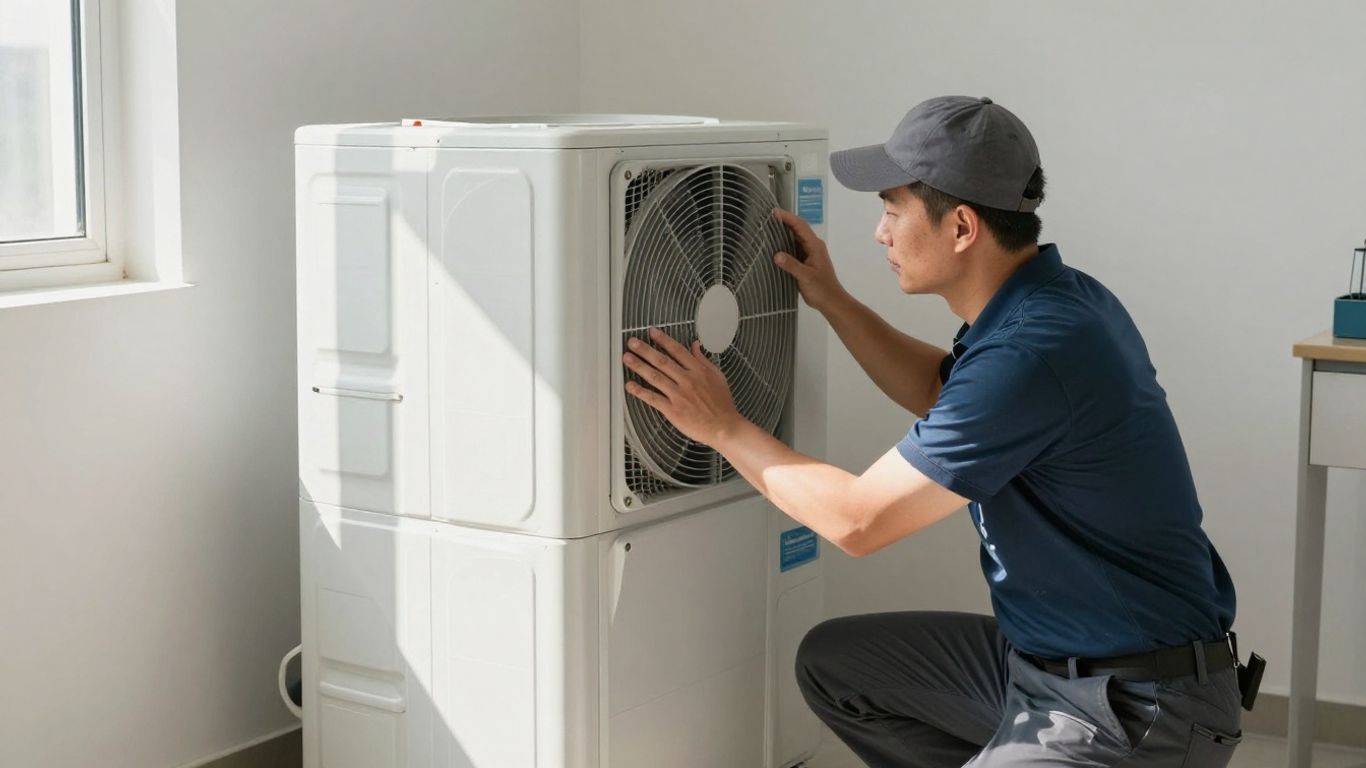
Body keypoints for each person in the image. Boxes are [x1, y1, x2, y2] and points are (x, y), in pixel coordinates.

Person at [620, 95, 1247, 767]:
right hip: (1040, 666)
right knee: (837, 665)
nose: (880, 234)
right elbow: (938, 392)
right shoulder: (1055, 300)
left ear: (962, 227)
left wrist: (721, 426)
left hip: (1134, 704)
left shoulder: (1034, 351)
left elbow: (858, 522)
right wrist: (832, 299)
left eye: (893, 211)